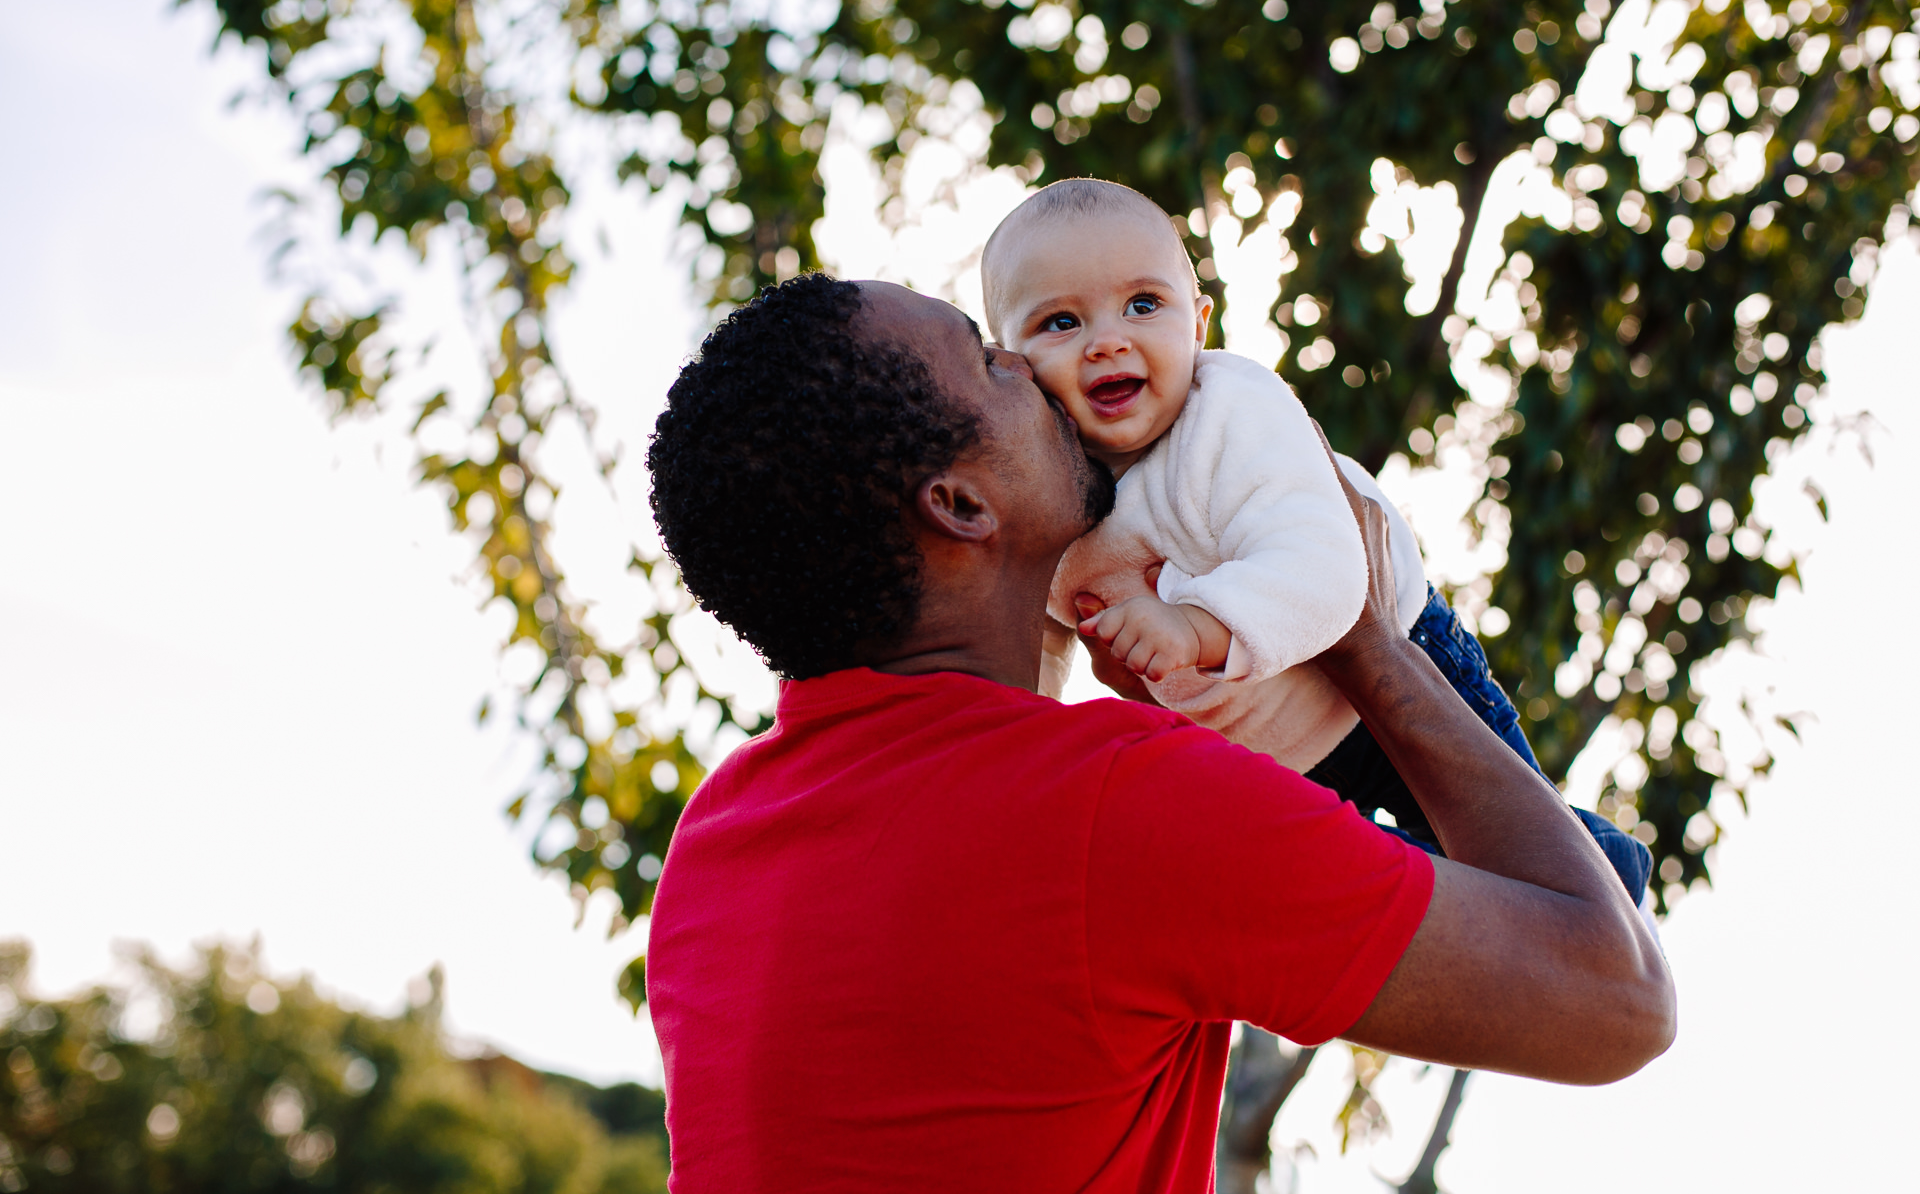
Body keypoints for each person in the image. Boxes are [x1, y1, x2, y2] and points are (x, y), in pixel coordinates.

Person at [641, 273, 1673, 1192]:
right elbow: (1618, 998)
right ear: (959, 503)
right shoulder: (1116, 807)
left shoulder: (715, 843)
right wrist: (1364, 637)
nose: (1042, 371)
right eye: (993, 361)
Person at [983, 178, 1651, 901]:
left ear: (1198, 324)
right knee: (1400, 890)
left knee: (1517, 850)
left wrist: (1194, 626)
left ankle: (1604, 870)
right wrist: (1011, 752)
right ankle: (1557, 903)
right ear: (1010, 362)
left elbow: (1331, 574)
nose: (1108, 341)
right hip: (1268, 746)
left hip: (1396, 669)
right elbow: (1033, 642)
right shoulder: (1041, 491)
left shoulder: (1228, 414)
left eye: (1144, 305)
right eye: (1060, 323)